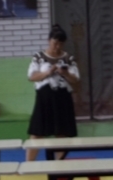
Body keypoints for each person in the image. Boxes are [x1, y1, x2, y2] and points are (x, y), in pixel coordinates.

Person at [25, 25, 80, 162]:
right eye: (55, 43)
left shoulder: (69, 58)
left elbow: (76, 80)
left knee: (62, 133)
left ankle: (59, 164)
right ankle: (29, 163)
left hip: (63, 97)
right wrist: (47, 72)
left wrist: (65, 73)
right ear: (49, 40)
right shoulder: (39, 57)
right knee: (37, 132)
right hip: (44, 98)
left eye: (61, 44)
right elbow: (31, 77)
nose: (57, 47)